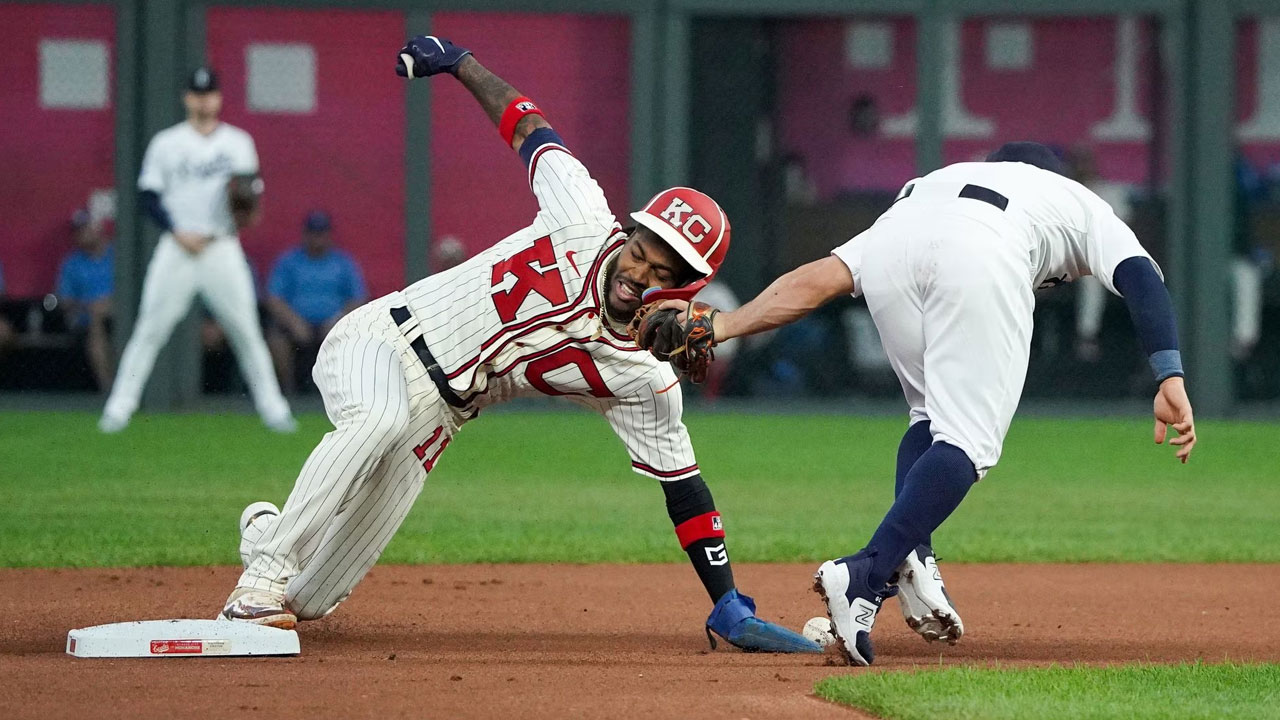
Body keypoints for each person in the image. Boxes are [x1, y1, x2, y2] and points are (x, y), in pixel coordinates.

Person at [218, 36, 820, 655]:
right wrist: (458, 63)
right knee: (377, 420)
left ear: (685, 287)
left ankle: (268, 530)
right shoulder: (583, 212)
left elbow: (686, 490)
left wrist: (726, 600)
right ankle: (257, 582)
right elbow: (528, 126)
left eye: (663, 273)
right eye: (642, 250)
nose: (640, 272)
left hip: (440, 419)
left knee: (314, 598)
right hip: (386, 340)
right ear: (632, 231)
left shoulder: (643, 377)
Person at [637, 141, 1198, 665]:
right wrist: (1168, 373)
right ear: (1046, 173)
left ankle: (913, 562)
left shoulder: (936, 184)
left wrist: (729, 324)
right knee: (971, 442)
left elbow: (821, 279)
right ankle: (864, 574)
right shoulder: (1070, 196)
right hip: (984, 250)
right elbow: (1141, 274)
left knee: (930, 418)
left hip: (894, 248)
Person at [99, 66, 294, 433]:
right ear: (187, 98)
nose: (204, 100)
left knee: (246, 332)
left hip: (221, 247)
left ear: (219, 98)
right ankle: (118, 409)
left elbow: (248, 194)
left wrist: (245, 210)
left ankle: (275, 411)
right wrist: (176, 230)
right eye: (198, 94)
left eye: (210, 94)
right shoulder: (167, 143)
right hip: (177, 248)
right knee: (149, 330)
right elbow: (147, 196)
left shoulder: (238, 142)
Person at [265, 210, 368, 394]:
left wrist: (338, 320)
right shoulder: (289, 261)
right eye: (313, 233)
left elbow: (358, 298)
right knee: (276, 338)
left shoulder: (343, 263)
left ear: (329, 235)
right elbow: (274, 298)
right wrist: (293, 321)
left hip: (333, 324)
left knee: (351, 339)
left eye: (321, 233)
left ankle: (340, 392)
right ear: (305, 234)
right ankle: (287, 391)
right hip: (296, 324)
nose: (317, 238)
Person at [1066, 145, 1136, 362]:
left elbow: (1125, 226)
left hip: (1106, 255)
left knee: (1093, 277)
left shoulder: (1109, 192)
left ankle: (1088, 336)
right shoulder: (1063, 192)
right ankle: (1086, 336)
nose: (1083, 168)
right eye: (1078, 163)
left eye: (1086, 162)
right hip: (1067, 257)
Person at [56, 209, 116, 391]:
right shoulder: (72, 263)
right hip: (87, 320)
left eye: (86, 228)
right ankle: (108, 389)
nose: (83, 234)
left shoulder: (119, 254)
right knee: (97, 318)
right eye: (78, 231)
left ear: (97, 227)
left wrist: (112, 302)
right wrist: (91, 305)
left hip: (121, 315)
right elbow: (64, 301)